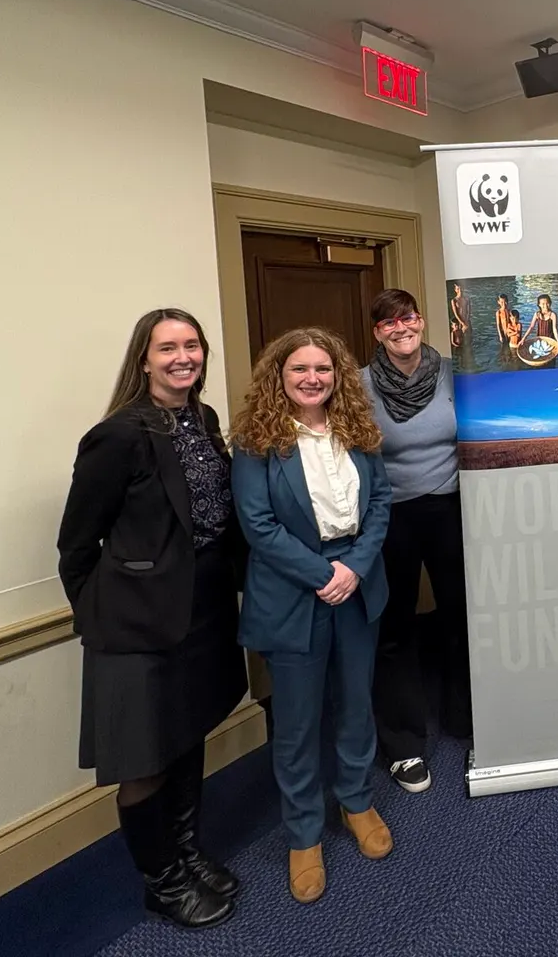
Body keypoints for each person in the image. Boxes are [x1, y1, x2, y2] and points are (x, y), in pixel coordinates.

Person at [56, 308, 247, 929]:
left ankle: (186, 854)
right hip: (134, 626)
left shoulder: (203, 419)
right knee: (143, 760)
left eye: (192, 345)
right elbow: (77, 545)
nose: (182, 357)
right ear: (144, 359)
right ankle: (162, 882)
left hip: (203, 612)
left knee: (185, 738)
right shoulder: (118, 435)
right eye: (168, 348)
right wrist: (98, 615)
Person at [231, 327, 394, 904]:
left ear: (338, 376)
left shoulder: (359, 430)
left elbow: (379, 503)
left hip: (357, 581)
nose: (311, 378)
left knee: (356, 703)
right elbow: (259, 525)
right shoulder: (256, 442)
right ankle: (303, 832)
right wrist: (324, 573)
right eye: (299, 368)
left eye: (322, 369)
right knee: (297, 722)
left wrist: (353, 566)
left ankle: (355, 801)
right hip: (296, 591)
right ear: (280, 375)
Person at [360, 289, 472, 793]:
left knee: (461, 615)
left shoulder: (454, 372)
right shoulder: (359, 385)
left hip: (451, 508)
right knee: (394, 628)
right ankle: (403, 744)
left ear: (421, 321)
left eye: (407, 318)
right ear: (377, 333)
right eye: (388, 323)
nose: (400, 328)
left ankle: (467, 719)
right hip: (388, 516)